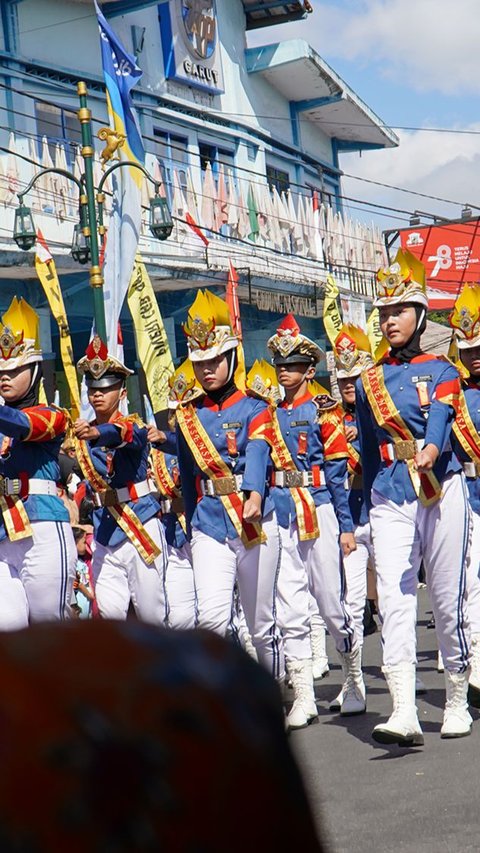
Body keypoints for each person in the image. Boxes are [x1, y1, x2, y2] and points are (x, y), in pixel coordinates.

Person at [356, 248, 472, 744]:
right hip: (389, 492)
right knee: (396, 599)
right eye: (383, 313)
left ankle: (456, 699)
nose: (389, 321)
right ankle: (403, 709)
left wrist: (428, 450)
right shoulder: (368, 380)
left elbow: (443, 423)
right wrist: (359, 511)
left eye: (399, 311)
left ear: (421, 315)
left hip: (442, 489)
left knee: (446, 598)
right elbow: (364, 445)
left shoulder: (444, 371)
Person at [176, 290, 283, 680]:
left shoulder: (256, 407)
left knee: (261, 625)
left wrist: (255, 493)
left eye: (214, 360)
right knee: (212, 621)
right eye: (199, 361)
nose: (206, 369)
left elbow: (258, 449)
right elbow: (188, 479)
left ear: (231, 357)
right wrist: (191, 525)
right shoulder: (187, 416)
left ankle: (273, 695)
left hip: (254, 521)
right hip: (208, 524)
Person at [265, 314, 365, 726]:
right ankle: (303, 697)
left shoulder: (325, 411)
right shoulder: (268, 415)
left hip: (320, 507)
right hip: (283, 512)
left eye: (292, 365)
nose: (284, 372)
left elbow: (339, 474)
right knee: (290, 606)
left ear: (309, 370)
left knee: (329, 602)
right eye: (280, 365)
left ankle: (353, 676)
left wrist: (345, 526)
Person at [73, 336, 168, 625]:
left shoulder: (134, 425)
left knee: (152, 616)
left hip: (139, 523)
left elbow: (123, 435)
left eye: (107, 388)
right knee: (111, 619)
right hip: (104, 531)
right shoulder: (81, 432)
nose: (98, 394)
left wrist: (98, 434)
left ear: (123, 392)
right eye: (93, 388)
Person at [0, 296, 76, 628]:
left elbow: (22, 425)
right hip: (4, 533)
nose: (5, 376)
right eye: (1, 369)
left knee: (51, 636)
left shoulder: (54, 415)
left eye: (14, 369)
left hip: (43, 527)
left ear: (33, 371)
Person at [327, 324, 376, 710]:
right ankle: (353, 680)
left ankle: (401, 674)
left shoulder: (383, 412)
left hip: (387, 509)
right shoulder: (328, 420)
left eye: (354, 375)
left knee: (394, 599)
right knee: (351, 603)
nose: (347, 383)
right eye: (342, 377)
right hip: (352, 519)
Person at [149, 359, 200, 630]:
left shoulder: (208, 444)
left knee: (217, 611)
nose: (178, 416)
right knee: (180, 617)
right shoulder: (157, 448)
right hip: (175, 537)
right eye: (175, 411)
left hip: (207, 528)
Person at [448, 283, 480, 708]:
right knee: (470, 586)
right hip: (469, 496)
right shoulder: (451, 391)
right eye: (467, 348)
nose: (474, 355)